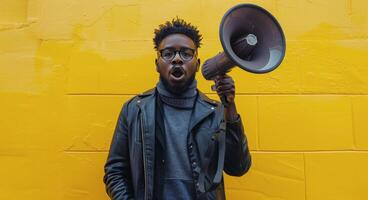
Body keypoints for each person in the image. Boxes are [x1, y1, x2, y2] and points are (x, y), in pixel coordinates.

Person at [103, 18, 251, 200]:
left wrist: (230, 106)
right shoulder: (134, 110)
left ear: (197, 63)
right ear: (157, 63)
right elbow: (115, 172)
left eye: (186, 53)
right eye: (168, 53)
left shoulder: (216, 112)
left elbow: (238, 167)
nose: (177, 59)